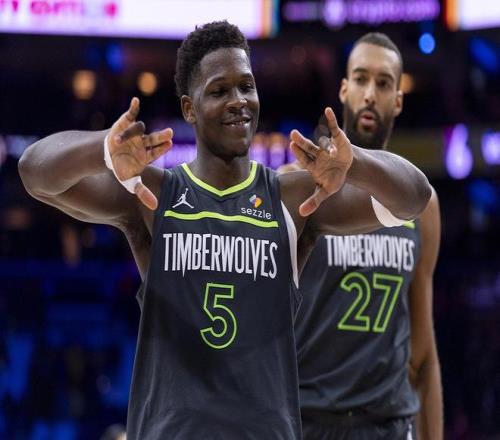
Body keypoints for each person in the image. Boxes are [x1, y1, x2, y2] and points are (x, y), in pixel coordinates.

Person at [18, 22, 431, 439]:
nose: (238, 101)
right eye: (219, 91)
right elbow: (35, 172)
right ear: (189, 108)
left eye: (246, 86)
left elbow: (413, 197)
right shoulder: (154, 196)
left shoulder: (290, 198)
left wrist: (356, 163)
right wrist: (103, 150)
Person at [281, 33, 443, 439]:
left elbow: (423, 355)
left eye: (384, 83)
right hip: (307, 419)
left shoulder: (421, 204)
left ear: (398, 100)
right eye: (361, 79)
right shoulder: (295, 185)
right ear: (344, 90)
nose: (370, 93)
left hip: (386, 423)